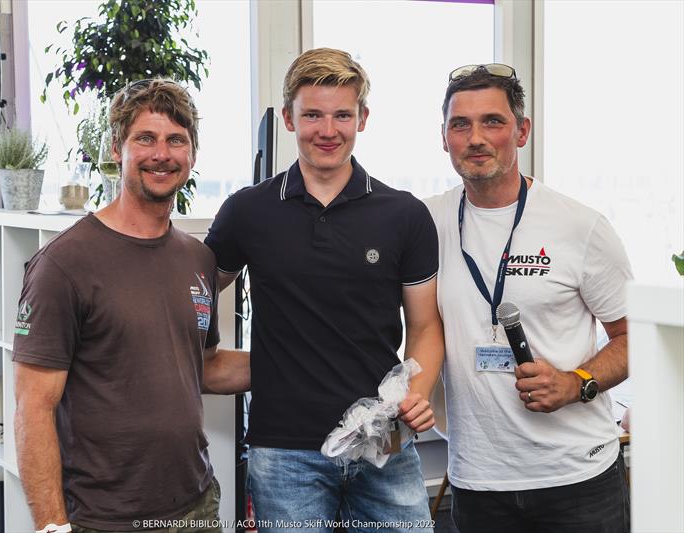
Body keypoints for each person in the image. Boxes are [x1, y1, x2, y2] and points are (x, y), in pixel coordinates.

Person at [205, 48, 444, 532]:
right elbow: (192, 293)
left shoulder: (405, 215)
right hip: (284, 450)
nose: (327, 130)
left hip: (383, 444)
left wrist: (414, 396)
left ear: (363, 118)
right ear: (289, 118)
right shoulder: (248, 211)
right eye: (312, 114)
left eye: (342, 115)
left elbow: (424, 326)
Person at [12, 78, 250, 533]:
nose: (162, 154)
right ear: (118, 149)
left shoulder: (198, 259)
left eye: (176, 140)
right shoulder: (64, 264)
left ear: (192, 156)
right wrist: (52, 528)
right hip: (103, 519)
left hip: (196, 508)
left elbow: (202, 366)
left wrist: (297, 362)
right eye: (146, 138)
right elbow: (33, 407)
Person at [424, 63, 632, 533]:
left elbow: (633, 336)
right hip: (478, 481)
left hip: (577, 478)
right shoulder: (425, 223)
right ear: (444, 138)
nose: (476, 137)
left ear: (522, 130)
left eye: (493, 121)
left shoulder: (579, 226)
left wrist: (576, 381)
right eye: (461, 124)